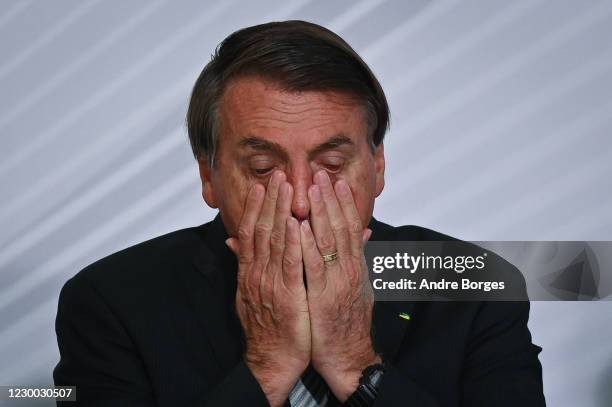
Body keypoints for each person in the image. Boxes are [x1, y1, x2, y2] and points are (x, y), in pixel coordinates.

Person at [53, 21, 546, 406]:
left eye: (332, 165)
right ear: (209, 176)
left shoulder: (473, 284)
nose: (302, 201)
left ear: (376, 168)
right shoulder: (109, 302)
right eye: (264, 168)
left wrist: (356, 366)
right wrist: (267, 366)